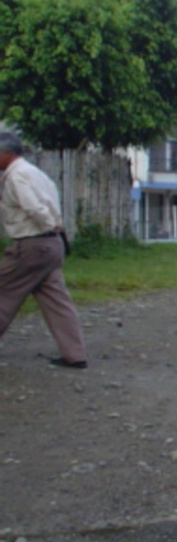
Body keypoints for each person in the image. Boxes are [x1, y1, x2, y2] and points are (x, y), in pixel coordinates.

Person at [0, 132, 88, 368]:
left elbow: (33, 206)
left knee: (4, 289)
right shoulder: (35, 173)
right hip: (52, 244)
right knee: (56, 300)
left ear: (6, 154)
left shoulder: (16, 176)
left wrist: (47, 224)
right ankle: (75, 354)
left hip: (32, 244)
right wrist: (54, 228)